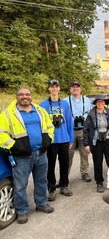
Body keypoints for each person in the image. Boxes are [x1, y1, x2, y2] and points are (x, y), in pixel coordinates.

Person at [0, 87, 54, 224]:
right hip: (21, 157)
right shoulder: (7, 114)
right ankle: (22, 211)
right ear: (16, 96)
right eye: (22, 94)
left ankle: (41, 203)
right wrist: (14, 146)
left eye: (28, 94)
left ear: (31, 96)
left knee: (41, 181)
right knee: (20, 185)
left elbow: (50, 126)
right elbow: (1, 133)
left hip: (41, 154)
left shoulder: (40, 111)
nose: (25, 97)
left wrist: (48, 140)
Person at [40, 80, 74, 201]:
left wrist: (71, 140)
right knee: (50, 165)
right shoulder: (43, 105)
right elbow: (41, 124)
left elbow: (70, 121)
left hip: (64, 139)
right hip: (51, 140)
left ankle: (64, 186)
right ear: (49, 88)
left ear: (59, 88)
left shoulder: (64, 104)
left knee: (64, 164)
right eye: (52, 87)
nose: (54, 89)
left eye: (56, 86)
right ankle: (51, 189)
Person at [83, 94, 109, 193]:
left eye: (102, 101)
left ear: (105, 103)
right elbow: (85, 130)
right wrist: (86, 144)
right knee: (97, 162)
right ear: (96, 103)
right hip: (96, 141)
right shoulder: (91, 115)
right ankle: (99, 182)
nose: (100, 103)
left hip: (108, 140)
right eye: (98, 101)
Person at [63, 80, 93, 182]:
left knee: (84, 153)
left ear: (80, 88)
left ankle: (84, 172)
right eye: (73, 87)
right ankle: (65, 175)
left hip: (83, 130)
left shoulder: (87, 100)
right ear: (70, 89)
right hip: (70, 130)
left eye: (77, 87)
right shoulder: (65, 101)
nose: (75, 88)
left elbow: (90, 114)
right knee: (68, 154)